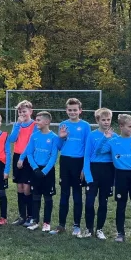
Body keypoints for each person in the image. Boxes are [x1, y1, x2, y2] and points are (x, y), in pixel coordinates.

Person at [96, 114, 131, 246]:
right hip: (120, 176)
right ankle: (120, 233)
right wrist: (105, 138)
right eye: (130, 126)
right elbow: (99, 152)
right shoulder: (113, 141)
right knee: (121, 205)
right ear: (121, 126)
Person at [54, 98, 91, 236]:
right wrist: (61, 137)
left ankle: (76, 225)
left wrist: (84, 168)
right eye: (70, 110)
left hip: (78, 162)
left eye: (75, 110)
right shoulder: (63, 124)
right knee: (64, 194)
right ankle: (61, 225)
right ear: (66, 111)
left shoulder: (85, 126)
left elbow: (88, 148)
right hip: (65, 161)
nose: (72, 112)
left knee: (76, 195)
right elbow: (58, 147)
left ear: (80, 111)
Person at [21, 111, 61, 232]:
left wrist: (44, 171)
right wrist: (35, 168)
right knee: (35, 196)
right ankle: (35, 221)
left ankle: (47, 222)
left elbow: (54, 156)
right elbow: (29, 153)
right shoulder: (34, 136)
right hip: (36, 170)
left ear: (47, 121)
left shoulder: (54, 137)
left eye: (38, 120)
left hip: (47, 171)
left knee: (48, 197)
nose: (36, 122)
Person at [82, 108, 117, 240]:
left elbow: (117, 156)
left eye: (108, 119)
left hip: (107, 171)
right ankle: (89, 228)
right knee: (89, 202)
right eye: (103, 120)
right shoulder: (92, 135)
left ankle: (99, 229)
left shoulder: (115, 136)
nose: (106, 122)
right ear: (98, 120)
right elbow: (89, 155)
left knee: (103, 202)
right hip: (93, 170)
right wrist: (88, 175)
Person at [8, 100, 36, 225]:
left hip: (28, 157)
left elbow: (32, 143)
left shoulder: (35, 125)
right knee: (19, 186)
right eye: (20, 112)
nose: (22, 114)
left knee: (27, 187)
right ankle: (22, 216)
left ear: (30, 111)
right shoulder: (17, 124)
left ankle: (31, 216)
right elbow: (12, 139)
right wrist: (18, 124)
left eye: (24, 111)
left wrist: (23, 158)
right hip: (17, 155)